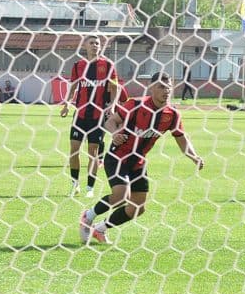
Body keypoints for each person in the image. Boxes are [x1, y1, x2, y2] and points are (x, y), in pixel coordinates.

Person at [79, 71, 204, 244]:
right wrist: (115, 133)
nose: (166, 91)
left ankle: (100, 229)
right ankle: (87, 216)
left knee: (137, 207)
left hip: (138, 161)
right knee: (122, 195)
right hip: (117, 156)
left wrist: (194, 156)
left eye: (169, 87)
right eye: (161, 87)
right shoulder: (136, 105)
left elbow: (182, 139)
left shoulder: (172, 114)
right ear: (152, 88)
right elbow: (110, 121)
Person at [60, 35, 120, 198]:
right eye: (91, 43)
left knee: (93, 152)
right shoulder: (78, 66)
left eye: (97, 43)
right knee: (74, 151)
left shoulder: (108, 65)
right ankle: (74, 184)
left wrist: (112, 104)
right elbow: (72, 88)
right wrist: (67, 103)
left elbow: (115, 88)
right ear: (85, 46)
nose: (95, 45)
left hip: (98, 116)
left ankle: (90, 188)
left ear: (100, 47)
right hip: (80, 115)